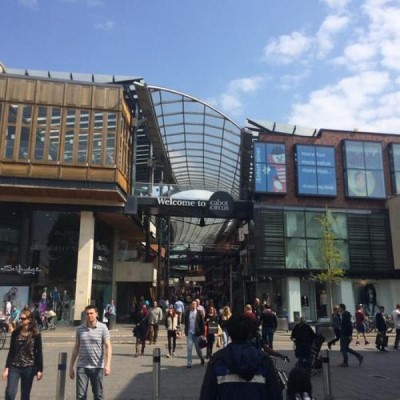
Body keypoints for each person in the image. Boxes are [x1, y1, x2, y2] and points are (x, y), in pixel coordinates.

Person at [200, 315, 283, 400]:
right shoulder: (264, 360)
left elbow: (207, 394)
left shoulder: (217, 360)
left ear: (229, 333)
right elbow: (275, 394)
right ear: (249, 333)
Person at [69, 305, 112, 400]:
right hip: (82, 366)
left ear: (96, 314)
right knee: (80, 396)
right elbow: (76, 347)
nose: (89, 316)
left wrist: (108, 364)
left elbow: (108, 346)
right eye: (87, 314)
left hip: (97, 366)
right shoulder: (80, 329)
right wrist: (71, 366)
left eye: (91, 313)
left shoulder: (103, 328)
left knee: (98, 395)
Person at [2, 309, 43, 400]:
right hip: (15, 367)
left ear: (29, 320)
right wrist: (7, 368)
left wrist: (39, 369)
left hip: (29, 367)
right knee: (10, 393)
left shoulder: (36, 334)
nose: (20, 320)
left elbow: (39, 352)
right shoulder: (15, 333)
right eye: (20, 318)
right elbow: (11, 352)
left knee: (25, 395)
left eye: (23, 319)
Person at [338, 303, 363, 367]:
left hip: (345, 334)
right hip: (345, 333)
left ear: (342, 308)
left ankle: (345, 362)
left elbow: (348, 325)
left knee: (344, 348)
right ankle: (358, 356)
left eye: (339, 307)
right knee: (346, 348)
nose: (338, 308)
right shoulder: (344, 314)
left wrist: (349, 334)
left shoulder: (345, 314)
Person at [184, 300, 205, 369]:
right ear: (190, 305)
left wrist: (203, 334)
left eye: (194, 304)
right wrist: (185, 331)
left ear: (196, 305)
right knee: (189, 348)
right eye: (192, 304)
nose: (193, 305)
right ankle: (189, 363)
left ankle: (201, 358)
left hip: (197, 333)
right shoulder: (187, 313)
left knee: (198, 348)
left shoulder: (199, 313)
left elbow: (202, 324)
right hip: (190, 332)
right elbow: (186, 323)